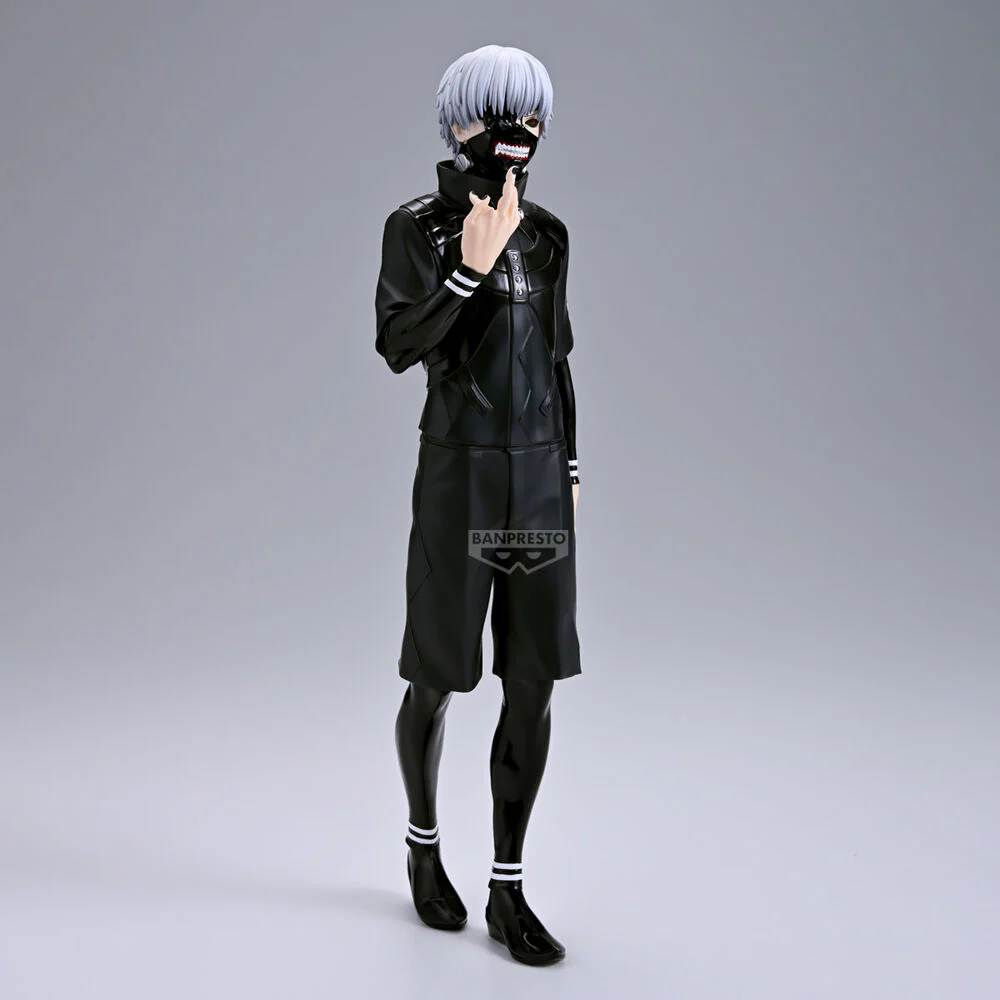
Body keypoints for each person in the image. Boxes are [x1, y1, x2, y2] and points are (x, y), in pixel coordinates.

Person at [374, 44, 581, 966]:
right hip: (458, 482)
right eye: (499, 114)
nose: (518, 132)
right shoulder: (415, 228)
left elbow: (559, 360)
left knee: (532, 680)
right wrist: (464, 271)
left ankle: (508, 888)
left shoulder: (549, 235)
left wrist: (569, 469)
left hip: (536, 488)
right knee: (437, 674)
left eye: (532, 116)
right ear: (458, 123)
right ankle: (423, 848)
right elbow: (396, 346)